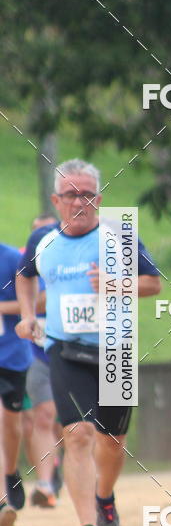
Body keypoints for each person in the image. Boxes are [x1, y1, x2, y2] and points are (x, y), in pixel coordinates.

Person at [16, 159, 161, 526]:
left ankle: (105, 496)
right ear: (56, 200)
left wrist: (118, 283)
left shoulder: (119, 234)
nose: (79, 202)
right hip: (65, 349)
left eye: (87, 195)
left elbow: (154, 284)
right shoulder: (43, 240)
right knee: (77, 434)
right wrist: (29, 316)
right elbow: (24, 276)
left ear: (99, 198)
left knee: (112, 441)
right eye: (70, 195)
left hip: (116, 348)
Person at [21, 213, 62, 507]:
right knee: (43, 415)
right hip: (38, 354)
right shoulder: (23, 264)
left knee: (79, 426)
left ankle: (91, 483)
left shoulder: (73, 257)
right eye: (37, 233)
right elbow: (24, 297)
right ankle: (46, 484)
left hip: (79, 352)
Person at [0, 242, 35, 526]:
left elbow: (35, 301)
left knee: (10, 426)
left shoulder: (13, 258)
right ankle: (1, 502)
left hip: (11, 355)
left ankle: (10, 471)